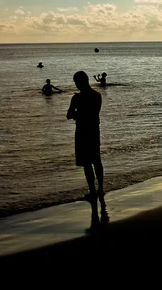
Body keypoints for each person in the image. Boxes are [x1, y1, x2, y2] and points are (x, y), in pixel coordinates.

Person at [66, 71, 106, 228]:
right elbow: (95, 113)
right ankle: (100, 188)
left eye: (76, 81)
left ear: (79, 82)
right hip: (94, 131)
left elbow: (69, 115)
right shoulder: (97, 96)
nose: (75, 84)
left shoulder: (77, 98)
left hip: (82, 132)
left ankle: (92, 191)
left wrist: (77, 114)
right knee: (96, 160)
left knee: (87, 163)